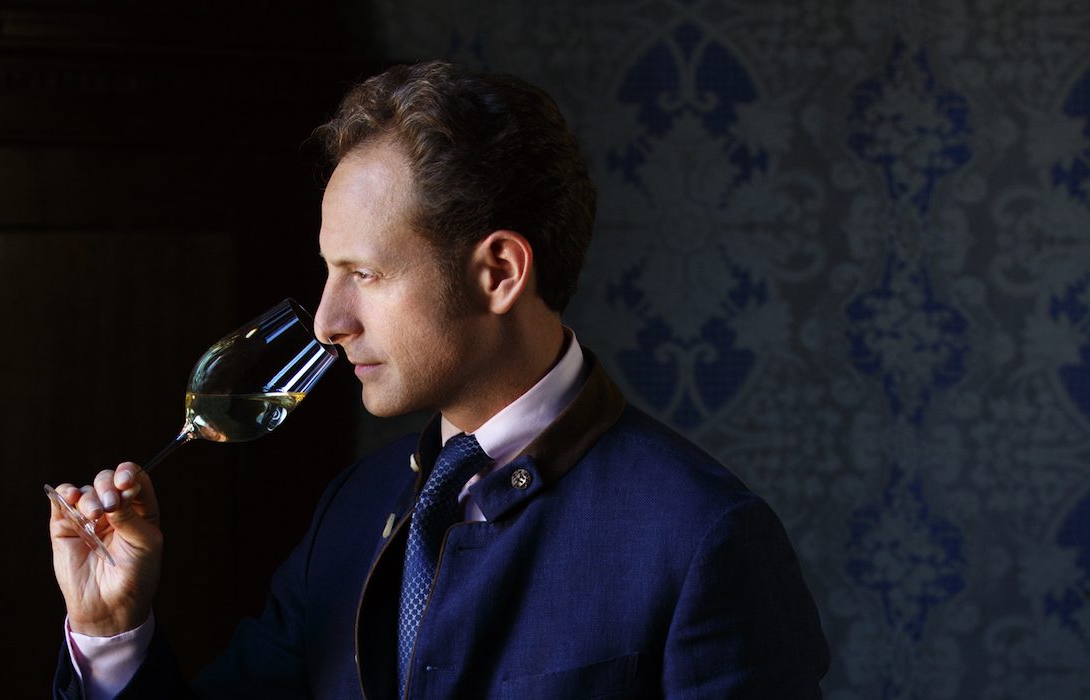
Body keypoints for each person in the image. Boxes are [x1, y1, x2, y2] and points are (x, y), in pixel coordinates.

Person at [49, 60, 829, 699]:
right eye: (329, 271)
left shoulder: (701, 537)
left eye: (365, 273)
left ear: (499, 272)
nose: (327, 322)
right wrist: (111, 631)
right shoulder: (352, 509)